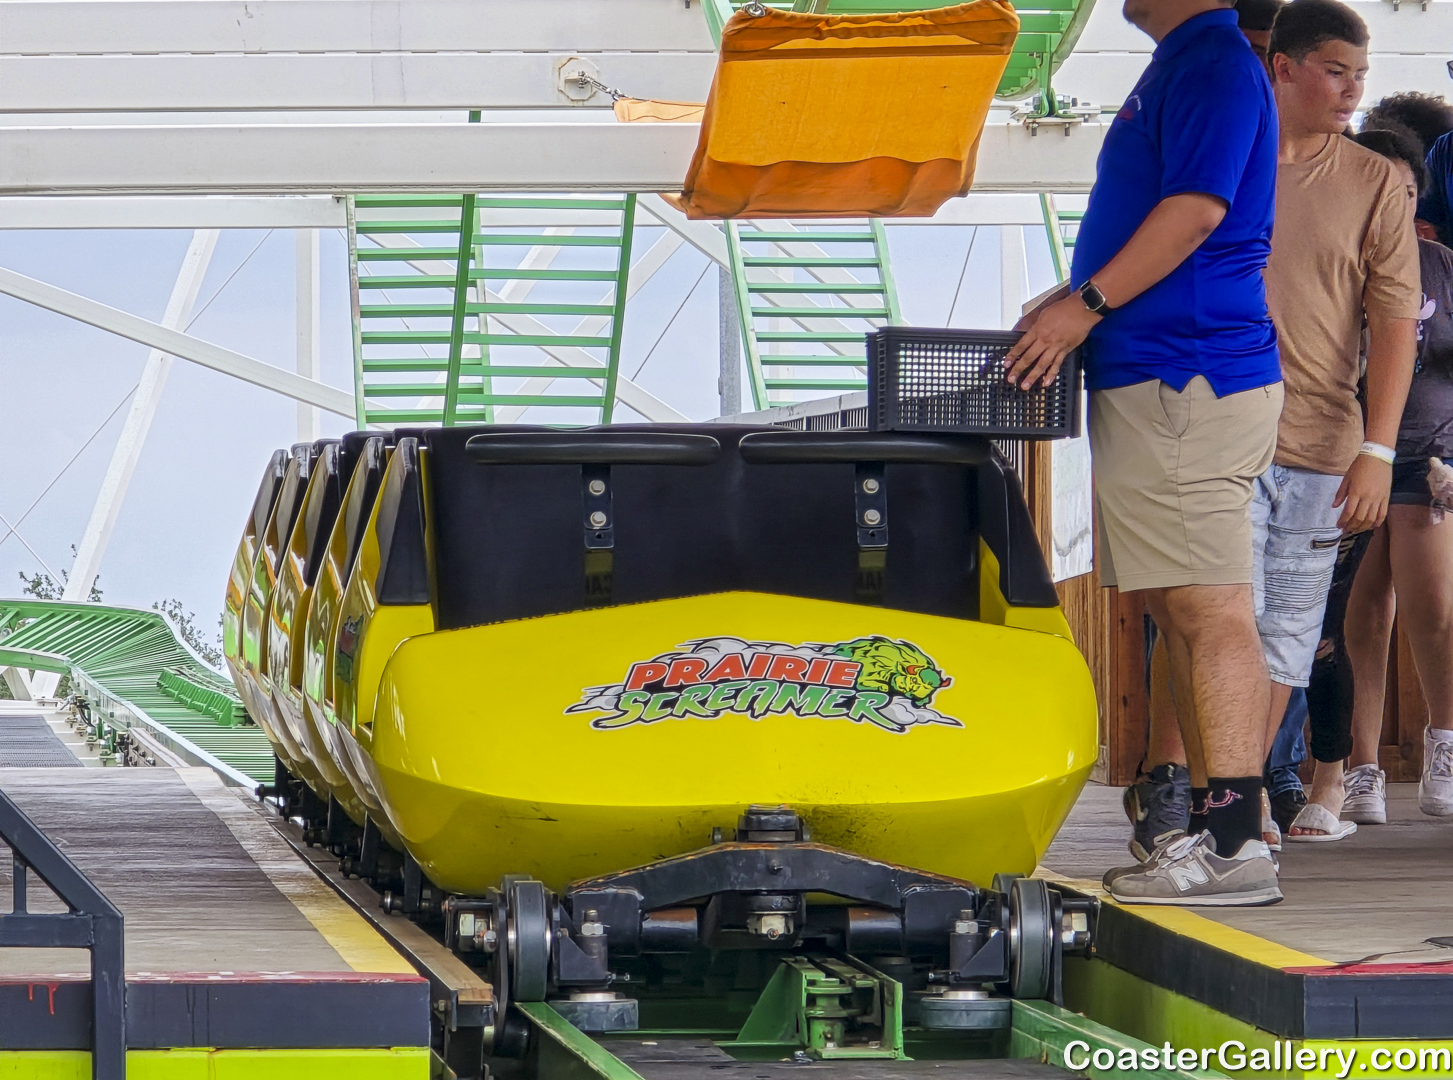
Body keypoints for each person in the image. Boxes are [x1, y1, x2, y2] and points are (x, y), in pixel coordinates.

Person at [1005, 0, 1284, 904]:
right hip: (1156, 373)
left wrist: (1083, 305)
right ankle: (1211, 833)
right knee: (1177, 604)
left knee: (1208, 607)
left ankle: (1235, 845)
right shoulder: (1186, 59)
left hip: (1185, 375)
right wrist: (1071, 295)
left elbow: (1195, 211)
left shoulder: (1211, 62)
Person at [1250, 0, 1421, 842]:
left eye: (1359, 74)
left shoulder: (1375, 181)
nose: (1352, 89)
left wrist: (1377, 449)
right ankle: (1213, 794)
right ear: (1281, 67)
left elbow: (1394, 321)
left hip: (1323, 443)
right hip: (1217, 431)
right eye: (1334, 71)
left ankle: (1244, 793)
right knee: (1215, 621)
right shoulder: (1224, 160)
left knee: (1288, 635)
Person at [1291, 126, 1453, 830]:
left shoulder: (1440, 264)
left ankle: (1442, 743)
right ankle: (1359, 767)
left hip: (1430, 453)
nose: (1392, 204)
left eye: (1405, 193)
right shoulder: (1329, 259)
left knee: (1434, 605)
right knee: (1358, 613)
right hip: (1340, 448)